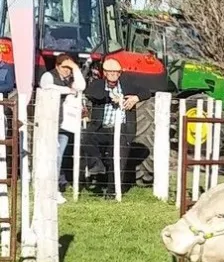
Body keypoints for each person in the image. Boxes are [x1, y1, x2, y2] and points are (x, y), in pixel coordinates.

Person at [80, 58, 151, 198]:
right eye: (109, 72)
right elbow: (91, 94)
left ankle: (112, 192)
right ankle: (98, 166)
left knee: (118, 158)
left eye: (115, 72)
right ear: (104, 73)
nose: (112, 75)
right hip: (102, 128)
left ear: (120, 73)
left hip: (122, 129)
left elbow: (146, 92)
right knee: (86, 137)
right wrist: (112, 97)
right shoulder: (98, 85)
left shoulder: (127, 85)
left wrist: (135, 98)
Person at [39, 54, 86, 202]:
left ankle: (55, 188)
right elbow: (47, 88)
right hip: (50, 121)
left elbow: (81, 86)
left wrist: (75, 68)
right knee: (51, 155)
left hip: (65, 124)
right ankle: (48, 188)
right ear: (57, 66)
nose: (67, 71)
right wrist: (68, 90)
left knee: (59, 156)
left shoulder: (72, 78)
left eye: (69, 68)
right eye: (65, 67)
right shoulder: (48, 76)